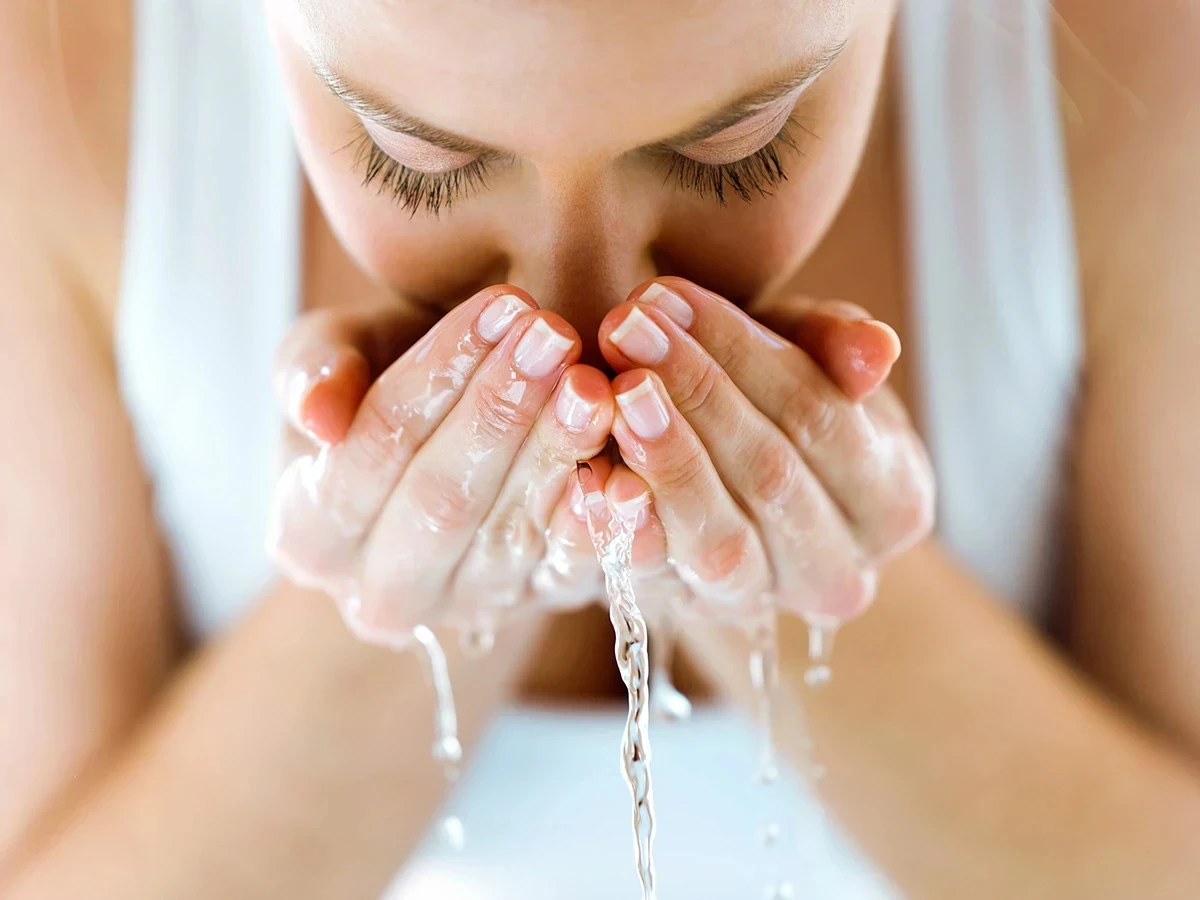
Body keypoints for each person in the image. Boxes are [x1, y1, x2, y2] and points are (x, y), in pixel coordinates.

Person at [2, 0, 1199, 897]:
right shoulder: (57, 97)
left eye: (744, 148)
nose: (584, 323)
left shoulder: (1144, 75)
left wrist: (768, 561)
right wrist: (399, 593)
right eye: (413, 162)